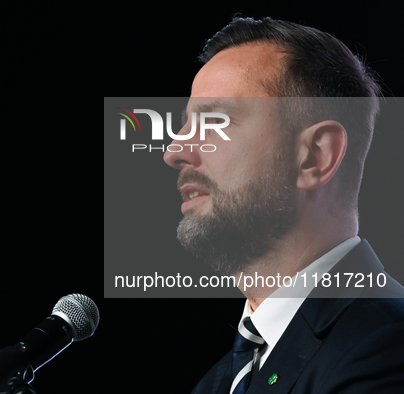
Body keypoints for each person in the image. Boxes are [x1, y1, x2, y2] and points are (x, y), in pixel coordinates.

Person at [163, 17, 404, 393]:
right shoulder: (213, 385)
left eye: (214, 123)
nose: (175, 151)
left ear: (315, 156)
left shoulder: (387, 347)